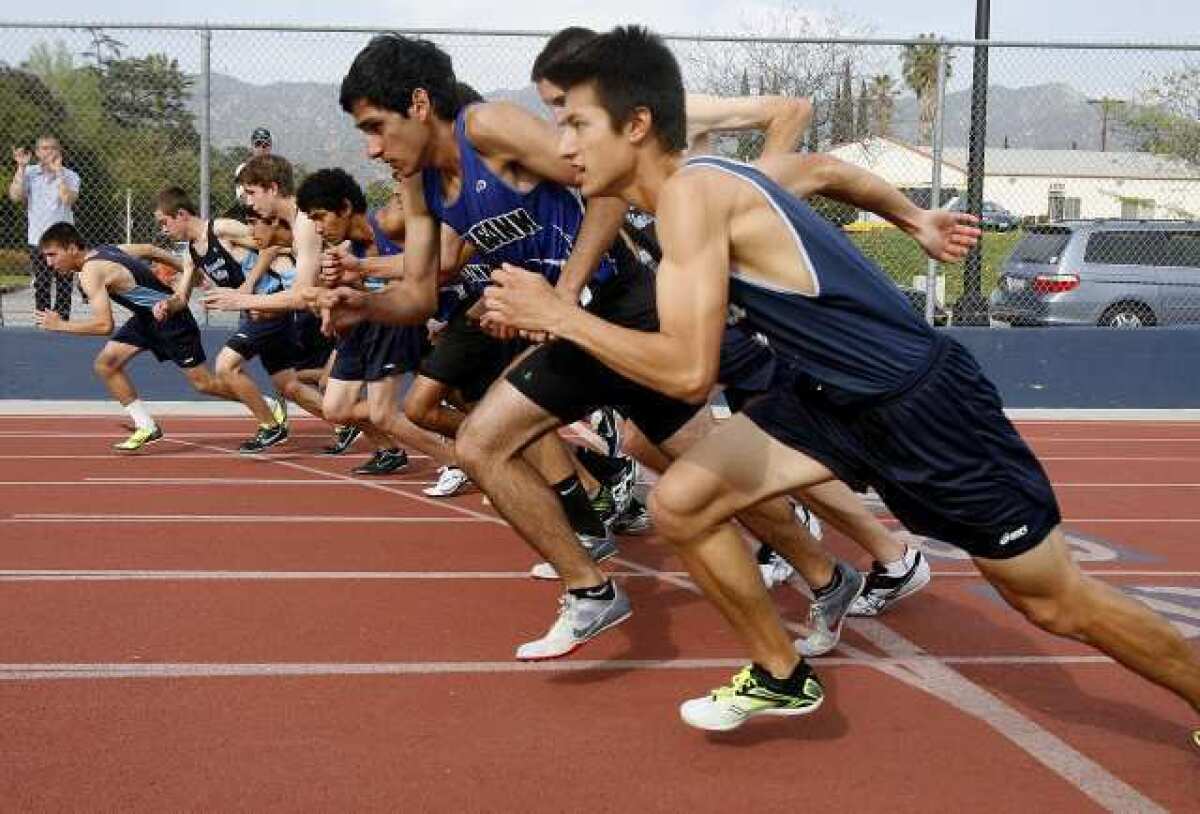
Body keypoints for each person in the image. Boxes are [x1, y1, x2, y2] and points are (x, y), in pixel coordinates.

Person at [483, 25, 1200, 737]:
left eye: (575, 122)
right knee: (685, 501)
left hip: (922, 404)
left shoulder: (696, 195)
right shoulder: (709, 189)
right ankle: (781, 675)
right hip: (828, 397)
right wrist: (914, 218)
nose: (564, 145)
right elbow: (824, 169)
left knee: (1053, 603)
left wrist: (559, 315)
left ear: (636, 124)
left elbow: (689, 370)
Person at [320, 34, 871, 664]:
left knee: (710, 475)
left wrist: (565, 292)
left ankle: (829, 577)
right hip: (571, 331)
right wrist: (364, 304)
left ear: (418, 104)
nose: (371, 147)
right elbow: (419, 294)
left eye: (374, 127)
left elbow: (606, 185)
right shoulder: (420, 184)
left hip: (623, 308)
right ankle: (591, 589)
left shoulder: (489, 128)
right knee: (482, 444)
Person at [298, 167, 455, 475]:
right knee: (335, 408)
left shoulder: (391, 225)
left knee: (384, 414)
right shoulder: (345, 250)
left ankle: (458, 460)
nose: (317, 228)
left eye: (320, 217)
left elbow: (426, 269)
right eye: (312, 220)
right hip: (372, 323)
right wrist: (332, 292)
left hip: (406, 320)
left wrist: (360, 272)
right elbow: (349, 294)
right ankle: (405, 437)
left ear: (344, 208)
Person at [33, 223, 238, 451]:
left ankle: (264, 404)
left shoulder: (90, 272)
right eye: (46, 257)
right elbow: (151, 250)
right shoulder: (108, 249)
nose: (49, 264)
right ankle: (146, 426)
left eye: (53, 255)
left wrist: (60, 325)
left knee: (204, 384)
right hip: (145, 318)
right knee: (106, 364)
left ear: (72, 248)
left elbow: (104, 326)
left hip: (171, 319)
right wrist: (189, 271)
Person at [9, 136, 81, 320]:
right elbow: (16, 196)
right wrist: (21, 167)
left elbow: (68, 199)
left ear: (59, 152)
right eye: (43, 148)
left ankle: (62, 318)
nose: (47, 152)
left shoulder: (70, 175)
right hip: (38, 237)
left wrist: (59, 174)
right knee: (41, 282)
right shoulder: (29, 173)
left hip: (63, 239)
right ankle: (43, 319)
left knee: (64, 281)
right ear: (37, 153)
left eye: (51, 148)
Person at [235, 128, 273, 204]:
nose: (261, 148)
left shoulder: (278, 169)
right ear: (252, 146)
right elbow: (243, 197)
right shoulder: (243, 169)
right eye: (258, 144)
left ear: (270, 147)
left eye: (265, 145)